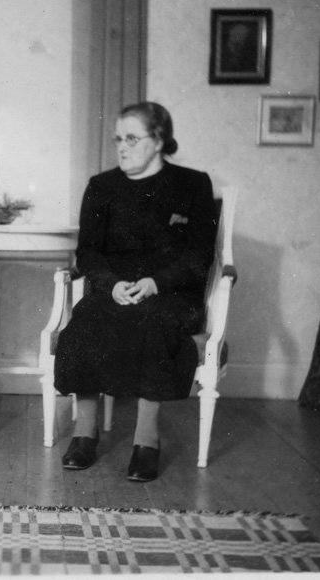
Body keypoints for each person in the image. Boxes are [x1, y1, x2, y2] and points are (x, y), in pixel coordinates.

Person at [54, 102, 217, 482]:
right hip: (115, 290)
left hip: (171, 293)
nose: (122, 147)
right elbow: (88, 252)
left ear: (158, 141)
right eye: (118, 139)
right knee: (87, 318)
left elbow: (199, 255)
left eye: (131, 138)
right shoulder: (101, 187)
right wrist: (112, 285)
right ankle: (84, 432)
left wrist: (156, 283)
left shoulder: (193, 185)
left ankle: (146, 439)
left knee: (152, 319)